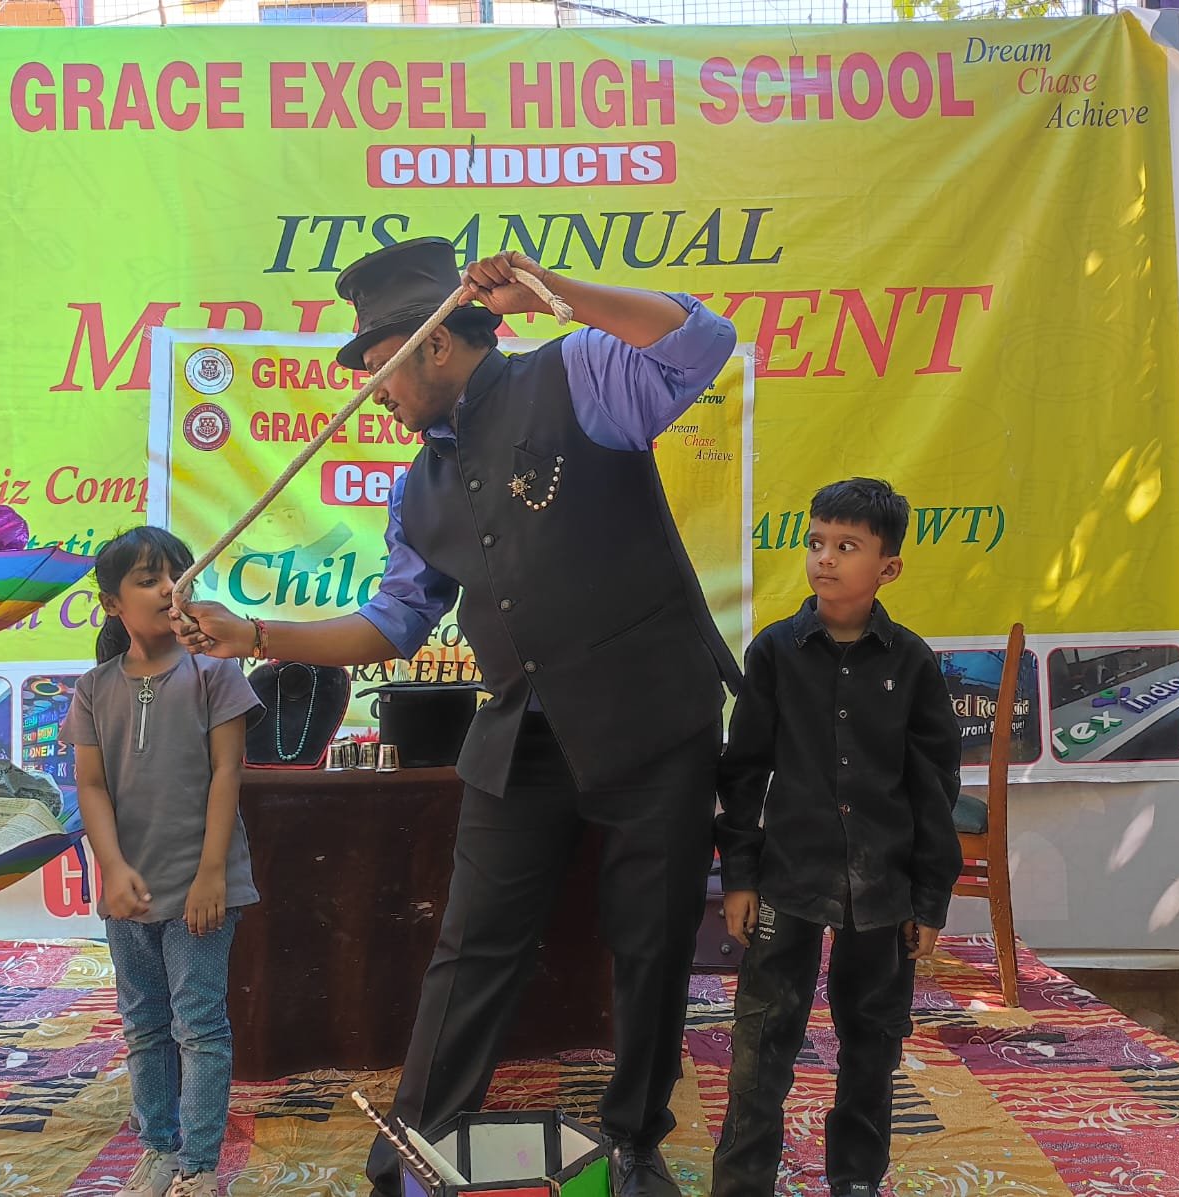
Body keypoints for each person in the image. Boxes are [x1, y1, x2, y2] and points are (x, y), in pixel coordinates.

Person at [172, 237, 741, 1197]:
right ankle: (417, 1149)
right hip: (523, 735)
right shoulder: (417, 487)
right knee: (472, 945)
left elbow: (703, 340)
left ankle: (635, 1143)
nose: (372, 392)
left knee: (650, 942)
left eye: (378, 364)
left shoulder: (576, 375)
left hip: (652, 718)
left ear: (434, 343)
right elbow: (392, 623)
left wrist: (555, 289)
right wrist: (258, 632)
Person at [709, 479, 963, 1197]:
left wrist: (929, 898)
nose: (825, 558)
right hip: (788, 881)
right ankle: (743, 1183)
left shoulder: (911, 663)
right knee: (762, 1042)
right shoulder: (774, 652)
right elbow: (743, 771)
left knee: (872, 1045)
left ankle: (855, 1179)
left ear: (888, 568)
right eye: (817, 542)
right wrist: (739, 876)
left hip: (883, 891)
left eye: (847, 546)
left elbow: (933, 788)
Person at [63, 526, 263, 1197]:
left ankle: (198, 1168)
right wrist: (112, 869)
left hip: (202, 890)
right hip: (130, 893)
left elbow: (227, 774)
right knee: (145, 1027)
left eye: (179, 575)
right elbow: (91, 787)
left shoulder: (215, 673)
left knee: (199, 1027)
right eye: (149, 579)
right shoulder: (94, 689)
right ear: (111, 603)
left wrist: (212, 873)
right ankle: (158, 1150)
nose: (169, 589)